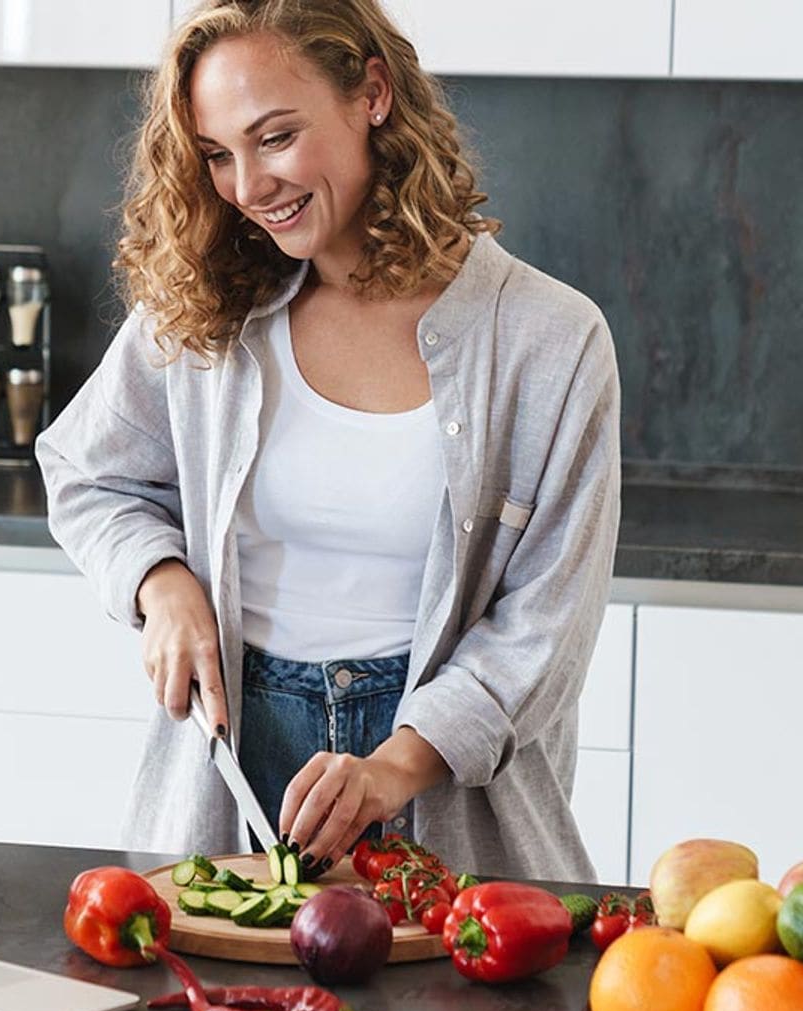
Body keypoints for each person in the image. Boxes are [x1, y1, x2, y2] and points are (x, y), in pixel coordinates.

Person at [35, 0, 619, 882]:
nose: (246, 187)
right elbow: (86, 472)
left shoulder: (549, 341)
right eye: (218, 155)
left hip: (441, 797)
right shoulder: (207, 312)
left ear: (372, 94)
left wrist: (394, 767)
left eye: (274, 138)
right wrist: (160, 584)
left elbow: (545, 628)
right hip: (231, 779)